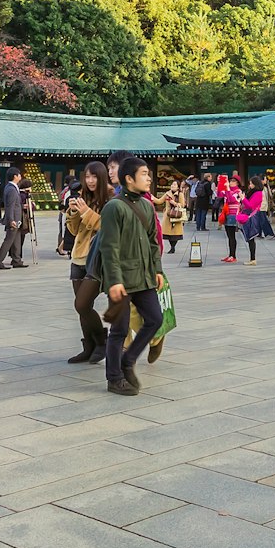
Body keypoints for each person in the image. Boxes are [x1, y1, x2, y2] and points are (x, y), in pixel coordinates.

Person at [97, 157, 165, 396]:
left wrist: (156, 269)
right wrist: (114, 280)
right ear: (129, 178)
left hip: (144, 276)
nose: (149, 178)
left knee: (155, 320)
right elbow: (109, 247)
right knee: (119, 329)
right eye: (144, 173)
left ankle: (129, 359)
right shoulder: (114, 207)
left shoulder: (147, 205)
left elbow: (153, 241)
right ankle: (114, 378)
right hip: (122, 279)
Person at [66, 160, 110, 364]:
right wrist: (74, 211)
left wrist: (86, 212)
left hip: (97, 258)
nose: (90, 181)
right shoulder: (84, 196)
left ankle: (102, 342)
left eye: (94, 176)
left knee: (82, 304)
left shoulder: (112, 197)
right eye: (87, 176)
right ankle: (89, 346)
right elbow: (74, 230)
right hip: (78, 256)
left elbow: (107, 227)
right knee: (81, 306)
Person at [0, 169, 26, 269]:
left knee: (17, 239)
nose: (20, 176)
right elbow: (10, 206)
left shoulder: (11, 187)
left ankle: (16, 260)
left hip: (17, 218)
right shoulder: (11, 189)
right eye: (19, 174)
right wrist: (11, 219)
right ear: (15, 176)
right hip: (13, 219)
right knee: (8, 240)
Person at [156, 179, 186, 255]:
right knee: (168, 233)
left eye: (175, 185)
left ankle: (173, 247)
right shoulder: (167, 194)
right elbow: (159, 201)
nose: (172, 186)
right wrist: (151, 198)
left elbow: (182, 205)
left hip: (176, 215)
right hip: (168, 215)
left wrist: (175, 203)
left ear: (178, 187)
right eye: (172, 184)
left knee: (175, 234)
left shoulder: (180, 194)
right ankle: (171, 247)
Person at [237, 178, 263, 265]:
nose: (250, 185)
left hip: (252, 217)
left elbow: (250, 206)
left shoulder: (258, 193)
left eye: (251, 184)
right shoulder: (253, 192)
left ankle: (253, 259)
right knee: (250, 238)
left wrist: (243, 198)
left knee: (251, 238)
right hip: (249, 215)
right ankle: (252, 259)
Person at [220, 177, 244, 263]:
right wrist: (220, 185)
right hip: (227, 214)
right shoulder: (228, 190)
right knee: (229, 236)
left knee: (232, 236)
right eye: (230, 181)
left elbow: (231, 200)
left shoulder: (238, 191)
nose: (231, 182)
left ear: (237, 183)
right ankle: (230, 254)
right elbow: (219, 195)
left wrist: (227, 189)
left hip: (233, 215)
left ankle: (233, 255)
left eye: (233, 181)